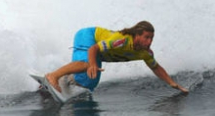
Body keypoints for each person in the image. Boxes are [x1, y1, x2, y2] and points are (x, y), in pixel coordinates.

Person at [45, 21, 188, 94]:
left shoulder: (146, 53)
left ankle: (66, 79)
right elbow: (93, 49)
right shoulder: (122, 40)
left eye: (151, 38)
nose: (149, 41)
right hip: (88, 36)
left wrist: (172, 83)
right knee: (88, 65)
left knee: (91, 82)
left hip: (96, 49)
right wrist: (93, 64)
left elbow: (156, 67)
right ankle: (53, 76)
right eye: (146, 37)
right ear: (137, 35)